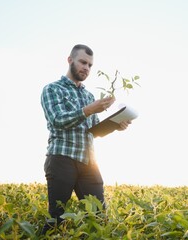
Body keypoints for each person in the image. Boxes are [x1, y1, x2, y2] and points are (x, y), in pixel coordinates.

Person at [40, 44, 131, 234]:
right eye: (83, 62)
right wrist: (90, 109)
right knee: (57, 219)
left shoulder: (89, 96)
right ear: (70, 60)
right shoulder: (52, 89)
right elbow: (57, 120)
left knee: (98, 218)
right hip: (61, 158)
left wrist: (116, 125)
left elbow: (94, 130)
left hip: (89, 163)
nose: (86, 68)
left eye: (90, 65)